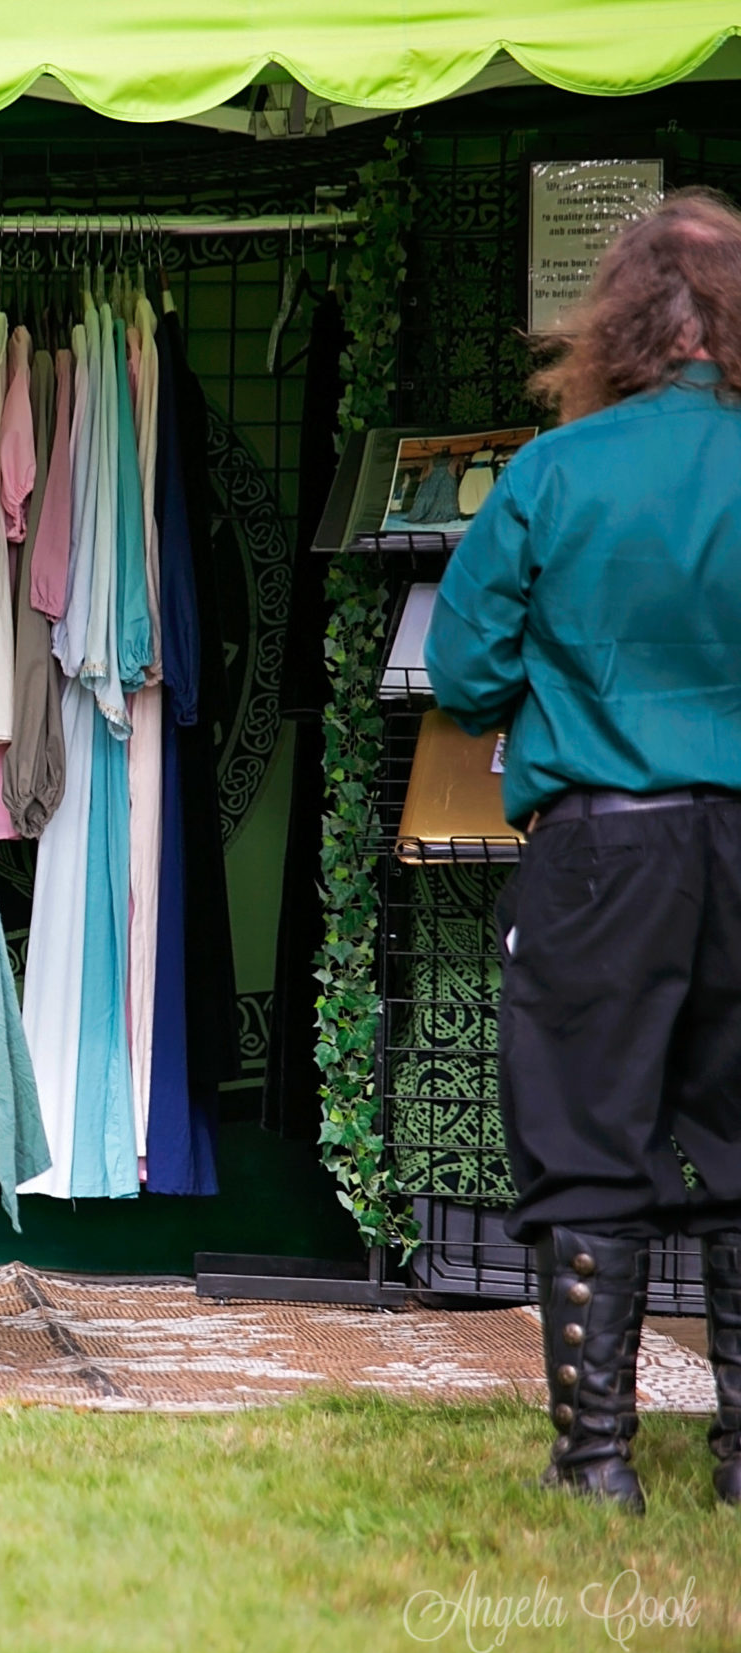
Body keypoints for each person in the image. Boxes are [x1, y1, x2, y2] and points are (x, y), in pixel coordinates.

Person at [426, 188, 741, 1514]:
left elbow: (462, 670)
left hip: (601, 846)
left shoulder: (556, 471)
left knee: (587, 1136)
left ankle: (599, 1460)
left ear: (615, 320)